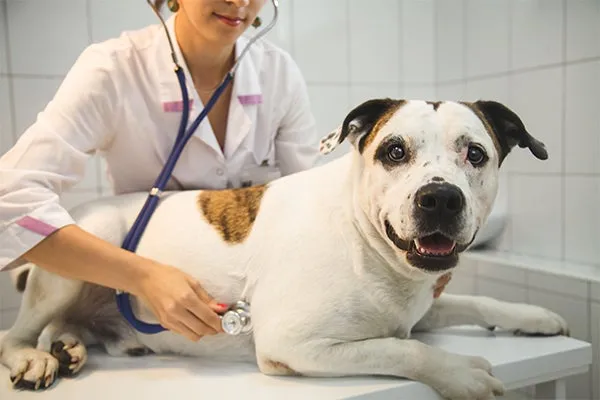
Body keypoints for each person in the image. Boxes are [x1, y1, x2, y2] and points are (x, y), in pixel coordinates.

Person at [0, 0, 452, 343]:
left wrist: (409, 250)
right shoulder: (113, 69)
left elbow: (317, 206)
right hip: (135, 297)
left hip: (243, 317)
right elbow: (10, 199)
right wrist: (143, 276)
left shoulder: (278, 75)